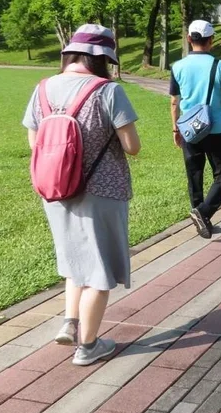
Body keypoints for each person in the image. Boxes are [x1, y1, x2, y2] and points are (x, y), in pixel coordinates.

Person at [23, 24, 141, 366]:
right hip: (102, 191)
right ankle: (88, 347)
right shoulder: (108, 91)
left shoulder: (43, 88)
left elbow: (34, 144)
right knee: (100, 272)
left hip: (56, 190)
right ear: (102, 58)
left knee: (75, 261)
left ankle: (70, 322)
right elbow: (132, 147)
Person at [170, 20, 221, 239]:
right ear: (211, 40)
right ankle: (203, 213)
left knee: (194, 173)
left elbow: (174, 101)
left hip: (189, 131)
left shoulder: (177, 66)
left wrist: (175, 130)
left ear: (189, 39)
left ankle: (200, 215)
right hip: (215, 129)